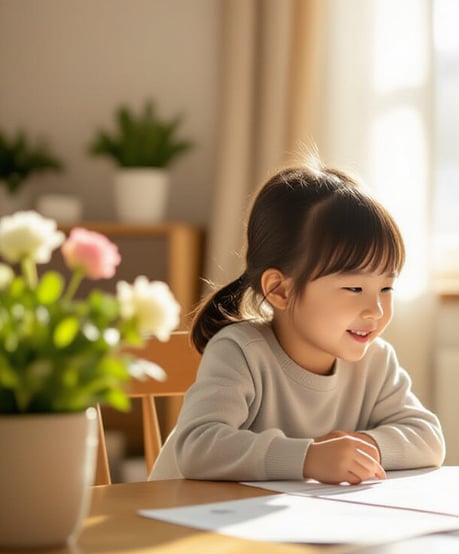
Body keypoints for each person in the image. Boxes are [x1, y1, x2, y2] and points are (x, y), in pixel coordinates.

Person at [150, 161, 444, 484]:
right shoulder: (241, 352)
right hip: (177, 513)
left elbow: (428, 439)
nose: (375, 310)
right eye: (354, 289)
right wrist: (307, 458)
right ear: (280, 290)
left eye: (386, 288)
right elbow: (197, 447)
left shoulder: (376, 362)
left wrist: (364, 446)